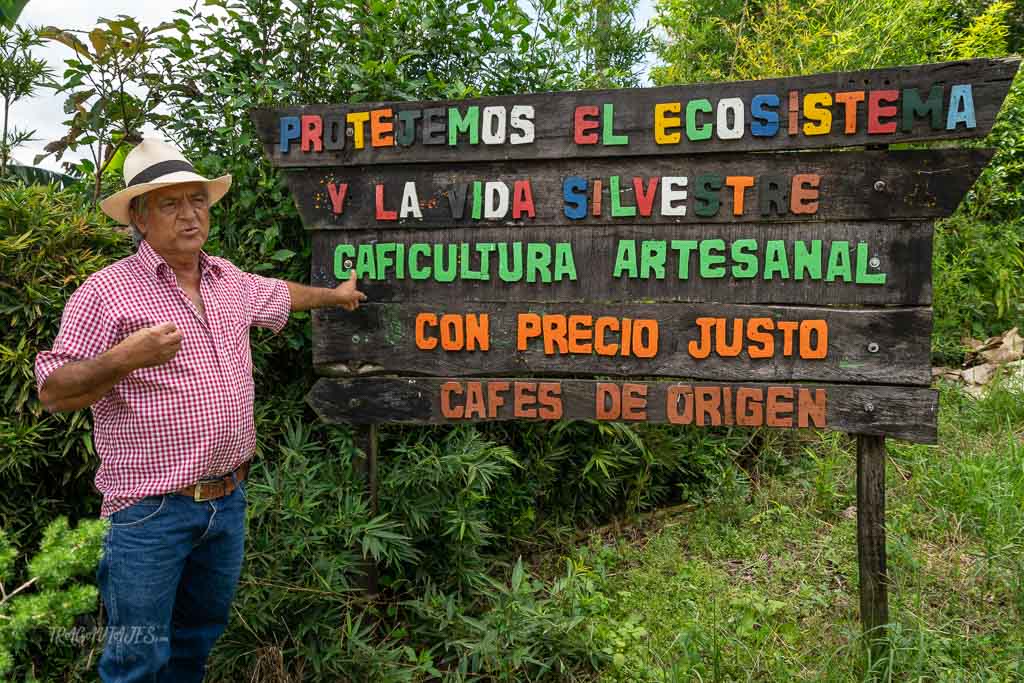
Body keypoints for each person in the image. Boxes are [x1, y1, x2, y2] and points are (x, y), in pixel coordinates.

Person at [34, 138, 366, 682]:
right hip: (148, 513)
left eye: (198, 201)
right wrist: (125, 357)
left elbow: (278, 293)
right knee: (136, 659)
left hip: (226, 502)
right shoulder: (106, 293)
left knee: (195, 643)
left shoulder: (227, 280)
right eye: (171, 203)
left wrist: (337, 295)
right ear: (140, 217)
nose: (190, 215)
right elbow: (53, 390)